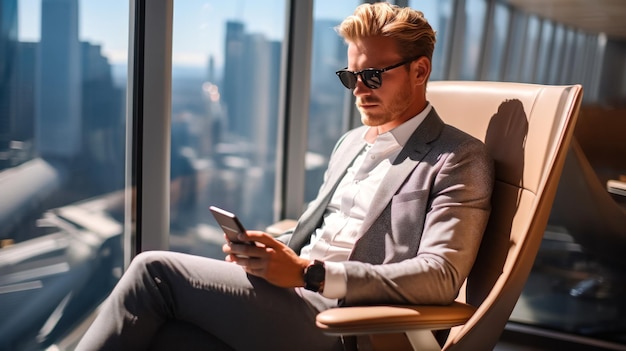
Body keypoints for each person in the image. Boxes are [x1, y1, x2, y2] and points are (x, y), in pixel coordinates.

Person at [76, 3, 494, 350]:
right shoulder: (351, 142)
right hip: (296, 297)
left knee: (153, 273)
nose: (358, 90)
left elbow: (439, 276)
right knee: (169, 337)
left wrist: (309, 273)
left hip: (348, 322)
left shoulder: (458, 157)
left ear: (420, 71)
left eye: (372, 76)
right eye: (350, 77)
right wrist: (268, 250)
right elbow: (324, 230)